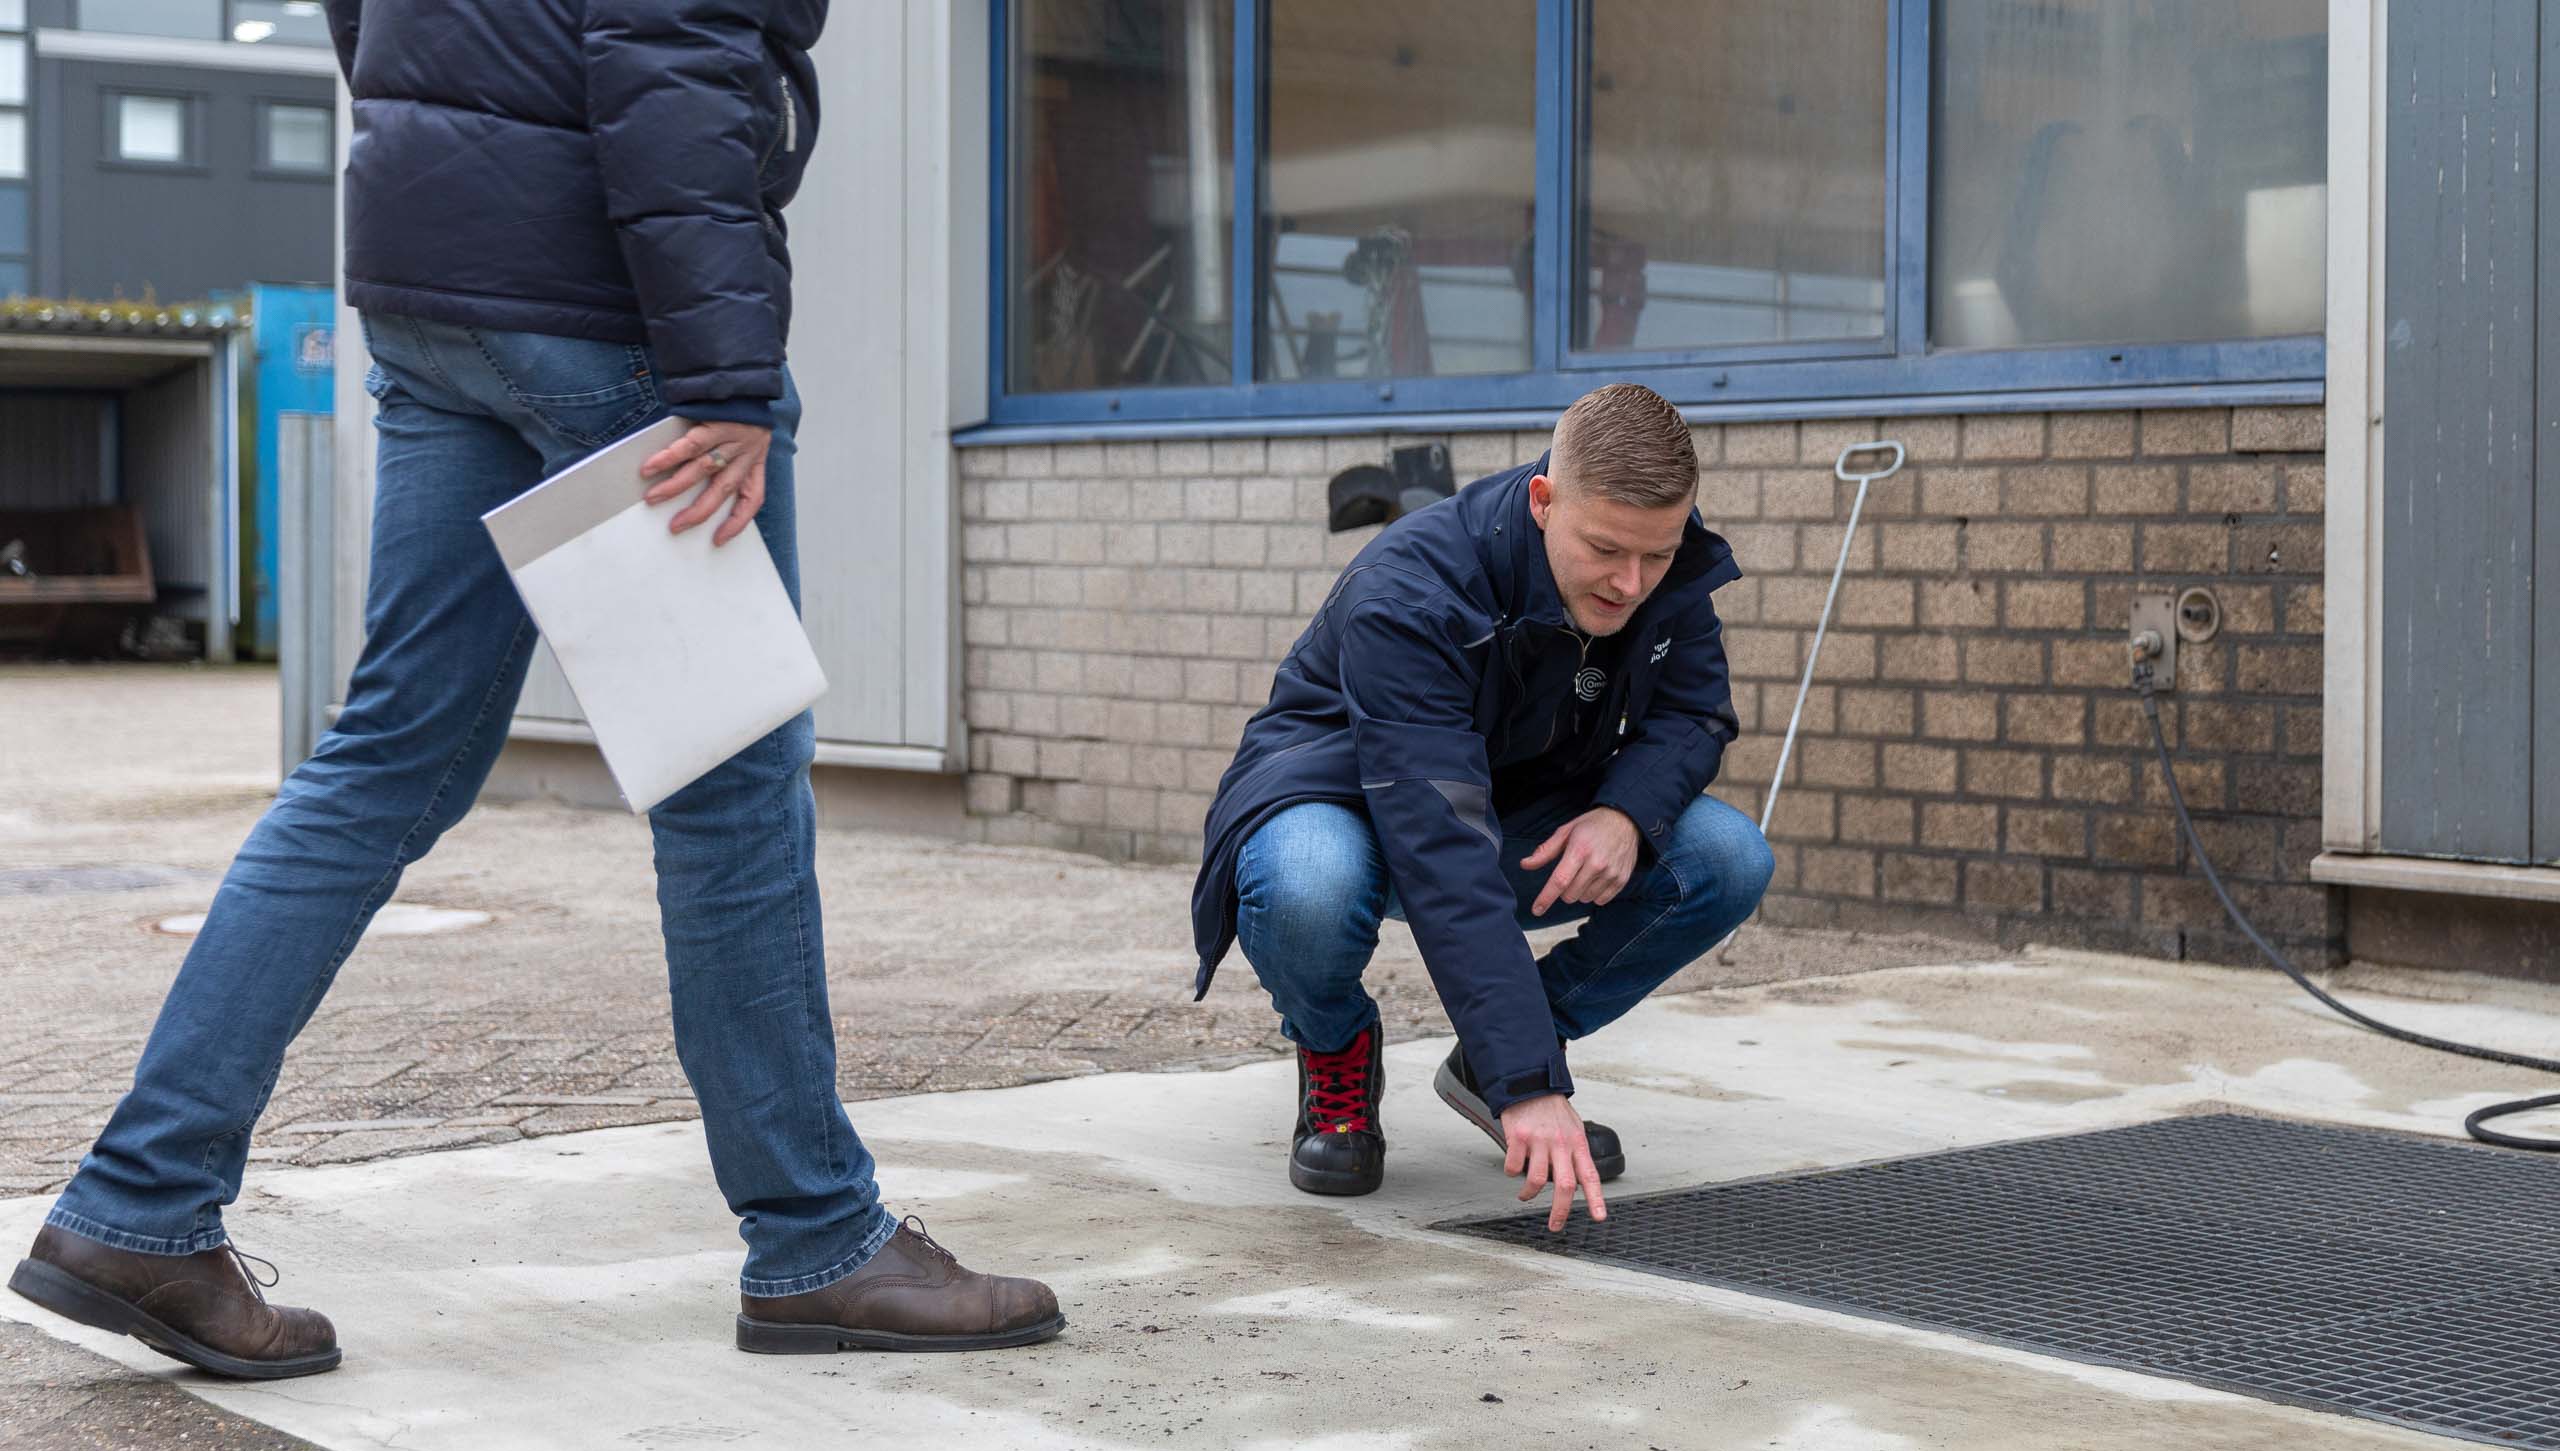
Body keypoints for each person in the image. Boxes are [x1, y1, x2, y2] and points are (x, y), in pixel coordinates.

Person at [7, 0, 1062, 1377]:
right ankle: (819, 1239)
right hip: (599, 310)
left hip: (435, 282)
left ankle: (142, 1200)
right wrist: (729, 380)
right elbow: (669, 66)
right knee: (728, 779)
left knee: (387, 754)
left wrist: (455, 174)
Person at [1191, 383, 1776, 1231]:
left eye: (1656, 555)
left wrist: (1623, 810)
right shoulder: (1413, 589)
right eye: (1607, 550)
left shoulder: (1659, 568)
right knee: (1306, 882)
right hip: (1349, 805)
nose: (1632, 583)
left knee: (1726, 857)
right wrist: (1532, 1085)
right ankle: (1335, 1043)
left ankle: (1501, 1048)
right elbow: (1442, 840)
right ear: (1543, 501)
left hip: (1518, 813)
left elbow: (1693, 713)